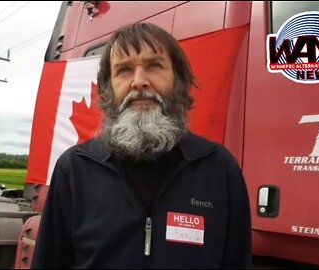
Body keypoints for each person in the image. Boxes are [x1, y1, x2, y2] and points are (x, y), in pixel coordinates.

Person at [32, 22, 252, 269]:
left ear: (178, 81)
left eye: (154, 66)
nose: (139, 82)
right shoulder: (74, 168)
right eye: (124, 70)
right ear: (107, 90)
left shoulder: (219, 168)